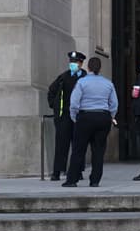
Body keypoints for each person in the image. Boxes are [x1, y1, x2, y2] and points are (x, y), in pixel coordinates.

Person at [63, 56, 117, 188]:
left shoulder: (82, 82)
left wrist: (74, 117)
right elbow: (114, 104)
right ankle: (95, 180)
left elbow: (74, 102)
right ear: (100, 68)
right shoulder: (108, 83)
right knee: (98, 151)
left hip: (85, 116)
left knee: (78, 150)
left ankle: (72, 180)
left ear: (88, 67)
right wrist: (110, 116)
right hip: (103, 116)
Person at [46, 50, 87, 180]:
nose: (72, 64)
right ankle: (57, 171)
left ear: (81, 63)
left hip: (80, 116)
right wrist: (55, 106)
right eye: (71, 62)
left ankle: (77, 171)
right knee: (61, 145)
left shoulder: (85, 78)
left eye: (75, 62)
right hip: (64, 115)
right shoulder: (63, 77)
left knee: (78, 145)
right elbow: (51, 91)